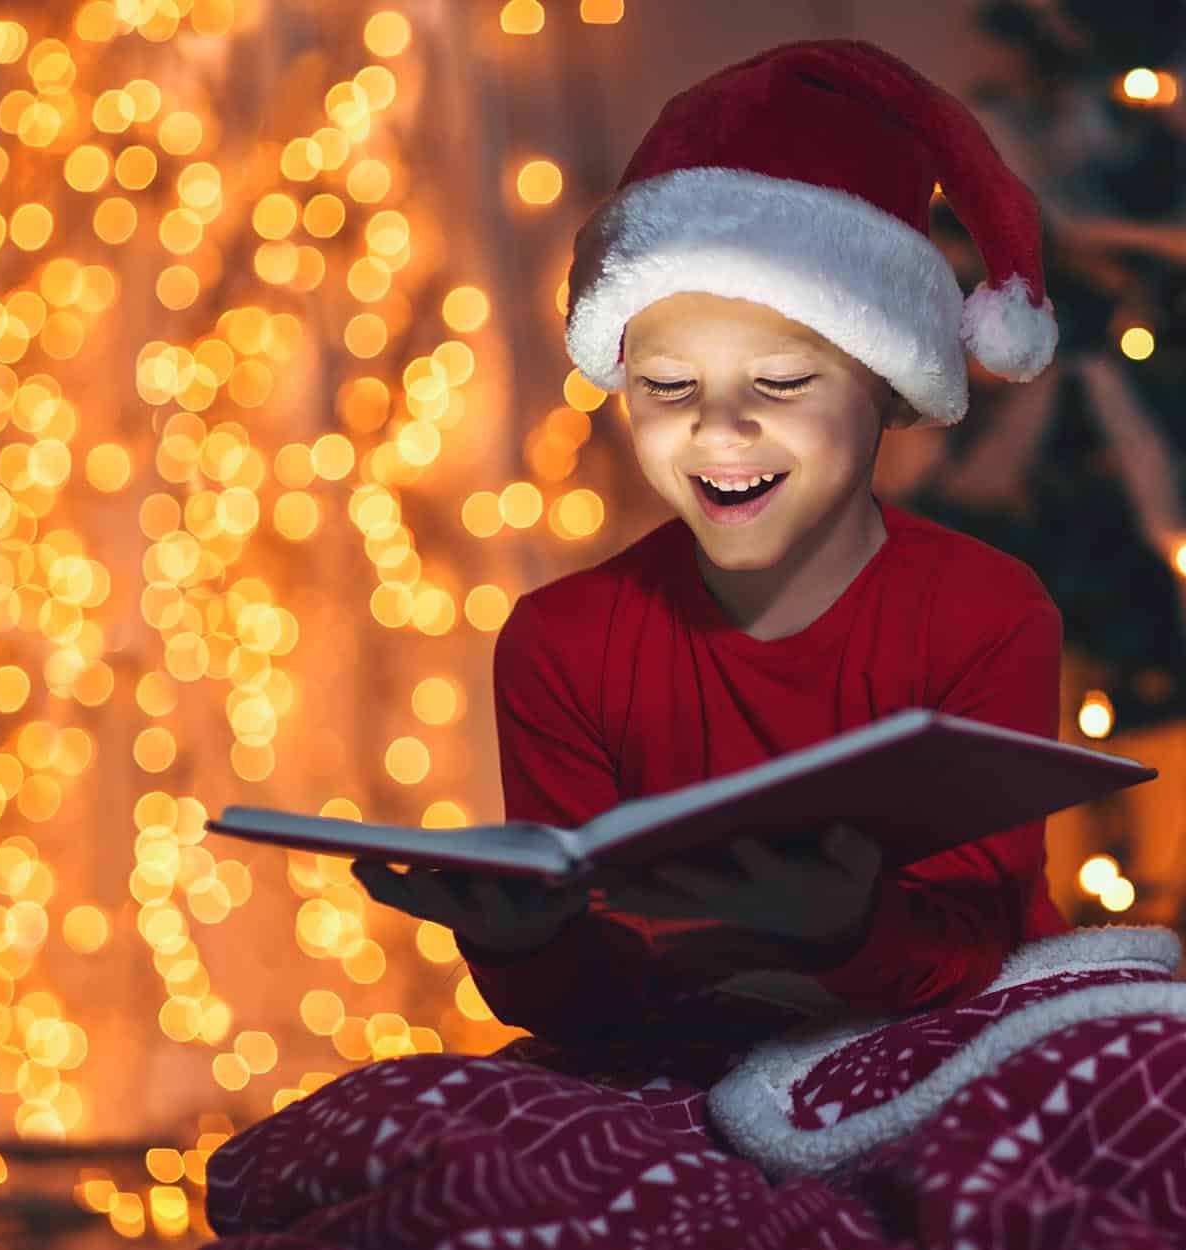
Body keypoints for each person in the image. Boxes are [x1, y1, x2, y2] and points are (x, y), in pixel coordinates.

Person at [353, 38, 1066, 1062]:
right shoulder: (563, 639)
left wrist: (841, 929)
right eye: (667, 386)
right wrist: (521, 942)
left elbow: (977, 954)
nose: (718, 430)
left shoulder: (986, 611)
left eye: (779, 384)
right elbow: (585, 1010)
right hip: (676, 1061)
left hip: (954, 1049)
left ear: (885, 393)